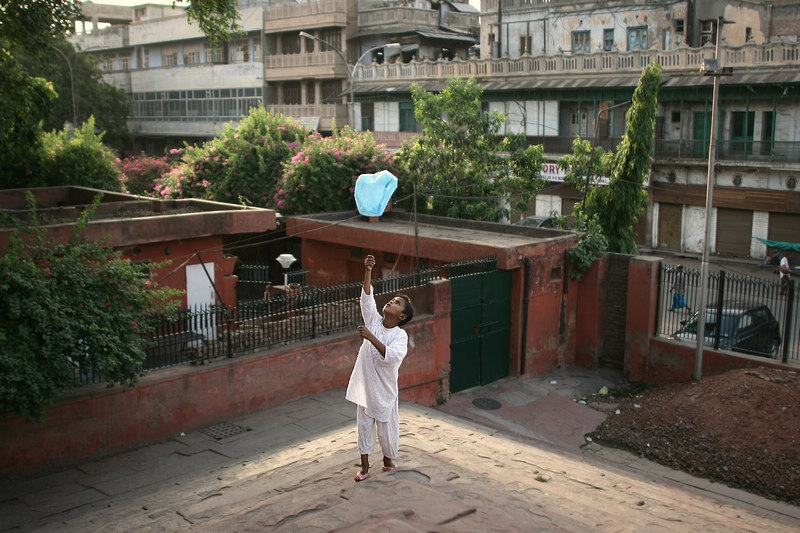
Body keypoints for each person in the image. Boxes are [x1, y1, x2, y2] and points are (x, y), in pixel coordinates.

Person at [345, 254, 414, 482]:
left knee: (386, 431)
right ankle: (364, 469)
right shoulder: (374, 320)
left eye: (396, 303)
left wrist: (371, 337)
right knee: (363, 429)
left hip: (384, 392)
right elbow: (366, 299)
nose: (390, 302)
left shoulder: (400, 335)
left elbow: (391, 356)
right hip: (366, 388)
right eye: (391, 300)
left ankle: (387, 461)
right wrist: (367, 270)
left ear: (401, 316)